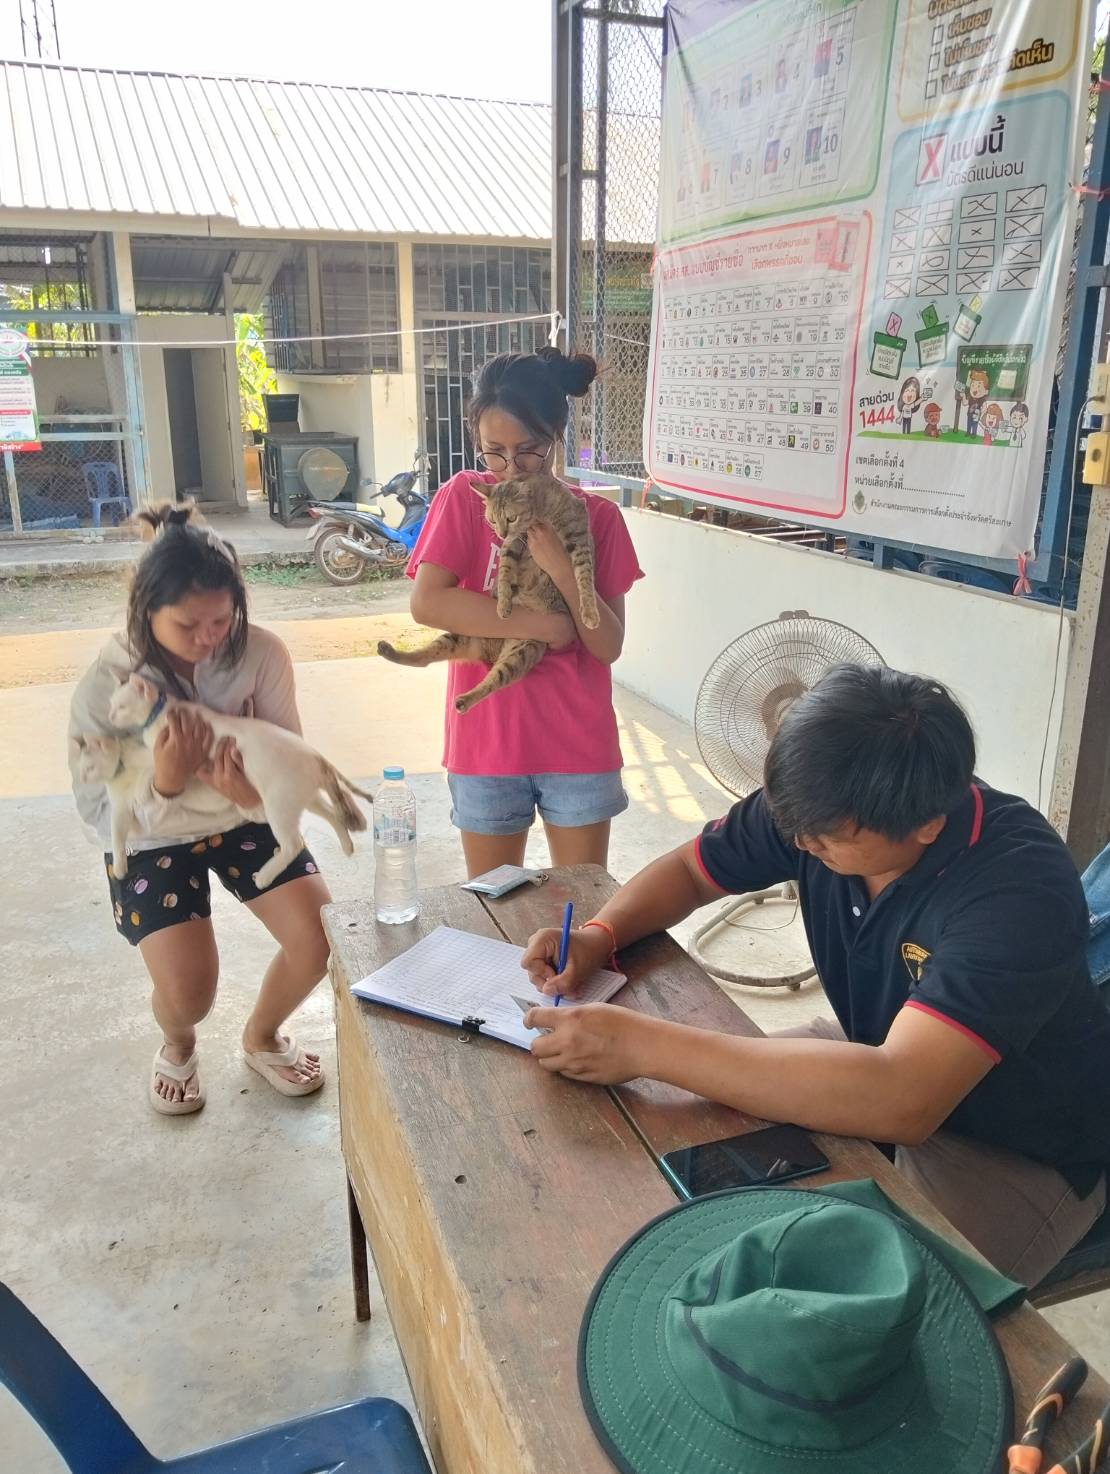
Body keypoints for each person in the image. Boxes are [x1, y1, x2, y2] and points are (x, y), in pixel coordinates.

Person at [522, 665, 1110, 1284]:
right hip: (874, 1051)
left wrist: (643, 1045)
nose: (801, 844)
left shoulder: (1016, 888)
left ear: (928, 825)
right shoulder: (822, 805)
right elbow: (692, 873)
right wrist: (601, 935)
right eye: (794, 825)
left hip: (1013, 1142)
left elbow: (902, 1097)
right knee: (680, 1154)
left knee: (872, 1303)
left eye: (827, 838)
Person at [68, 506, 330, 1115]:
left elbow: (291, 755)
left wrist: (249, 796)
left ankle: (261, 1035)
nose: (208, 638)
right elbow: (96, 811)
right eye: (188, 624)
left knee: (319, 941)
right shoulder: (107, 685)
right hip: (150, 837)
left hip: (241, 817)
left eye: (222, 619)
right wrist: (165, 781)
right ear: (145, 611)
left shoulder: (260, 654)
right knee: (189, 995)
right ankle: (178, 1040)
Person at [406, 347, 643, 879]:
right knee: (494, 907)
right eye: (494, 453)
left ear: (556, 437)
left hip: (577, 747)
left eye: (530, 451)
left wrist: (562, 569)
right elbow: (429, 602)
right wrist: (545, 625)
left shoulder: (598, 517)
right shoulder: (466, 498)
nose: (511, 470)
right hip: (487, 744)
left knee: (582, 907)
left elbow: (607, 645)